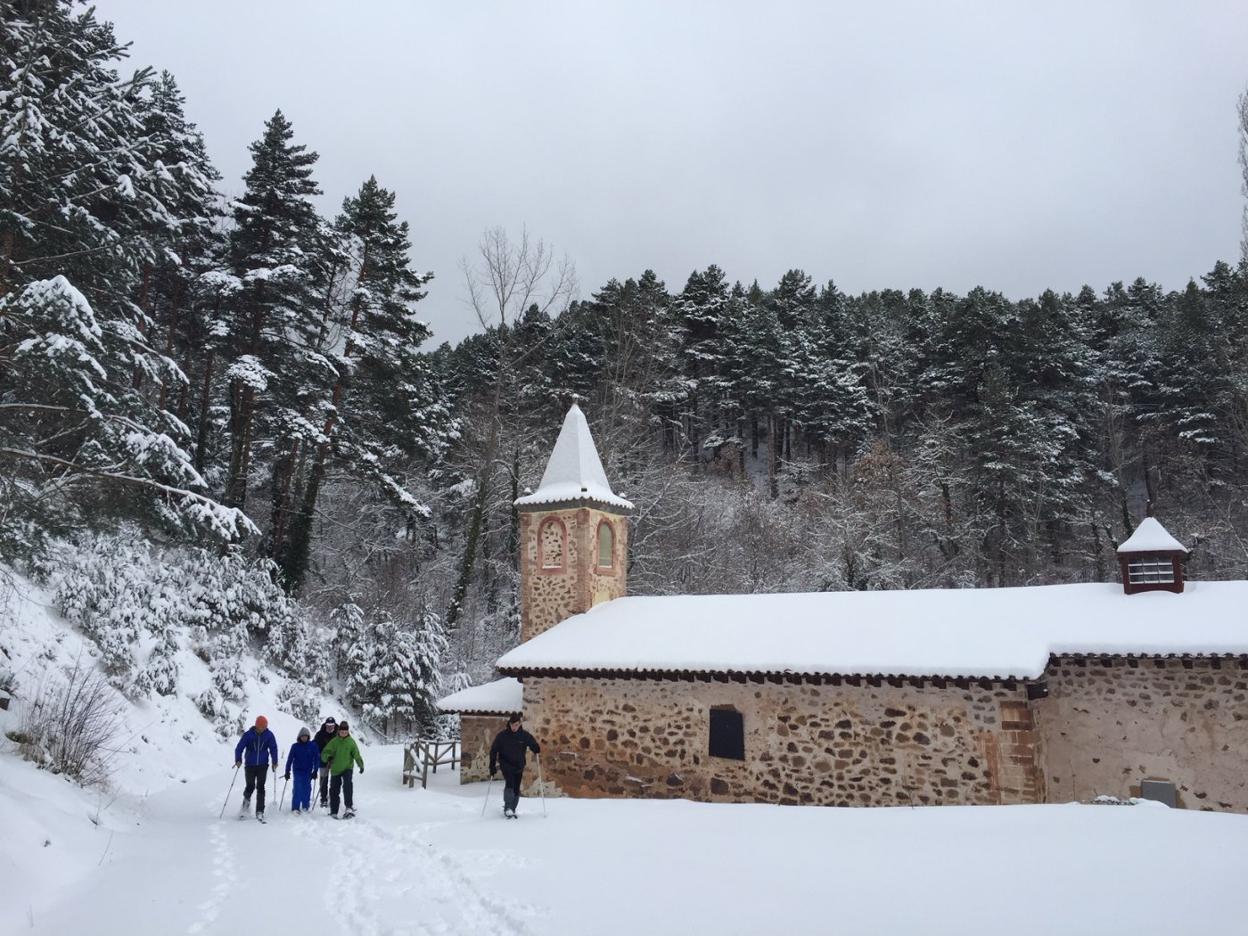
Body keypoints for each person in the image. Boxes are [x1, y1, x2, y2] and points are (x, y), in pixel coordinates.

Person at [489, 713, 541, 819]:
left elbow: (532, 743)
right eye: (512, 725)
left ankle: (512, 808)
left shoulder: (524, 735)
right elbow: (494, 750)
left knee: (516, 787)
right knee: (510, 783)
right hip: (506, 764)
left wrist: (535, 748)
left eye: (516, 725)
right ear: (509, 724)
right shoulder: (502, 736)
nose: (514, 727)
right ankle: (507, 808)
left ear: (520, 724)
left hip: (519, 765)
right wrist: (492, 766)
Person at [234, 715, 279, 820]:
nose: (263, 729)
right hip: (250, 765)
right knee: (250, 786)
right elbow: (239, 748)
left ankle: (260, 811)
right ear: (257, 726)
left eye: (264, 726)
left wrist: (275, 761)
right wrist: (238, 759)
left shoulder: (269, 735)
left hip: (263, 765)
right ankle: (245, 808)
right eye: (261, 727)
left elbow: (273, 748)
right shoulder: (248, 735)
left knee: (261, 787)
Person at [319, 719, 364, 818]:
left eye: (345, 732)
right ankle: (334, 811)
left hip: (347, 768)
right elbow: (324, 753)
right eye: (342, 732)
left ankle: (348, 807)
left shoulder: (351, 742)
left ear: (348, 732)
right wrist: (328, 757)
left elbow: (356, 754)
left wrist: (360, 765)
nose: (343, 733)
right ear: (339, 731)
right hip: (335, 769)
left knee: (347, 785)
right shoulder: (334, 742)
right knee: (334, 790)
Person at [284, 726, 320, 814]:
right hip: (298, 770)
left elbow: (317, 758)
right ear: (299, 737)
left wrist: (315, 770)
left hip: (308, 771)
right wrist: (287, 771)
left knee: (307, 788)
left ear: (308, 737)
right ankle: (295, 808)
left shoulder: (313, 746)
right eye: (302, 736)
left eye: (306, 736)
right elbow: (290, 759)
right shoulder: (295, 746)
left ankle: (305, 806)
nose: (304, 738)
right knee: (298, 787)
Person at [312, 717, 338, 808]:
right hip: (323, 761)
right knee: (323, 780)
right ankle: (323, 799)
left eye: (331, 726)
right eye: (328, 725)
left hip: (336, 762)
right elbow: (314, 745)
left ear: (334, 725)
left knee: (334, 781)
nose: (330, 727)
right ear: (325, 725)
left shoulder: (339, 734)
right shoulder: (320, 734)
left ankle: (333, 797)